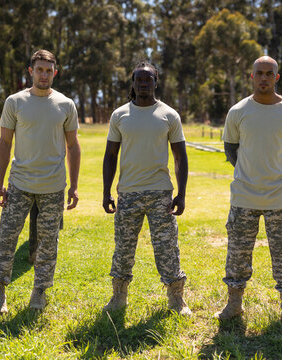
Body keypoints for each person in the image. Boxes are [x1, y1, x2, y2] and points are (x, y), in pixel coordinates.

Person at [216, 56, 282, 325]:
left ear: (276, 77)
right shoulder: (238, 111)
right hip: (243, 197)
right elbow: (231, 148)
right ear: (252, 76)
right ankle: (234, 305)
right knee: (237, 254)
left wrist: (275, 172)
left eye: (269, 73)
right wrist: (250, 172)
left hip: (280, 198)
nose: (264, 78)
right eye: (259, 73)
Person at [0, 49, 81, 313]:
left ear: (55, 72)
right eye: (39, 69)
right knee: (6, 238)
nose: (44, 74)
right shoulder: (15, 102)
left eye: (48, 70)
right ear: (31, 71)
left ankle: (39, 293)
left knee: (47, 243)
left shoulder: (65, 104)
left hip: (53, 187)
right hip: (19, 184)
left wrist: (74, 186)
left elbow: (73, 146)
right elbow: (5, 143)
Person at [102, 61, 191, 315]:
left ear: (156, 81)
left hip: (160, 194)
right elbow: (110, 155)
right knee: (123, 247)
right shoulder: (120, 115)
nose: (143, 84)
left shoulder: (169, 115)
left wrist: (181, 194)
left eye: (148, 79)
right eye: (138, 80)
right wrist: (107, 191)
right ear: (133, 82)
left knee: (167, 247)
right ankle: (118, 297)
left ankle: (176, 299)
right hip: (128, 194)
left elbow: (180, 157)